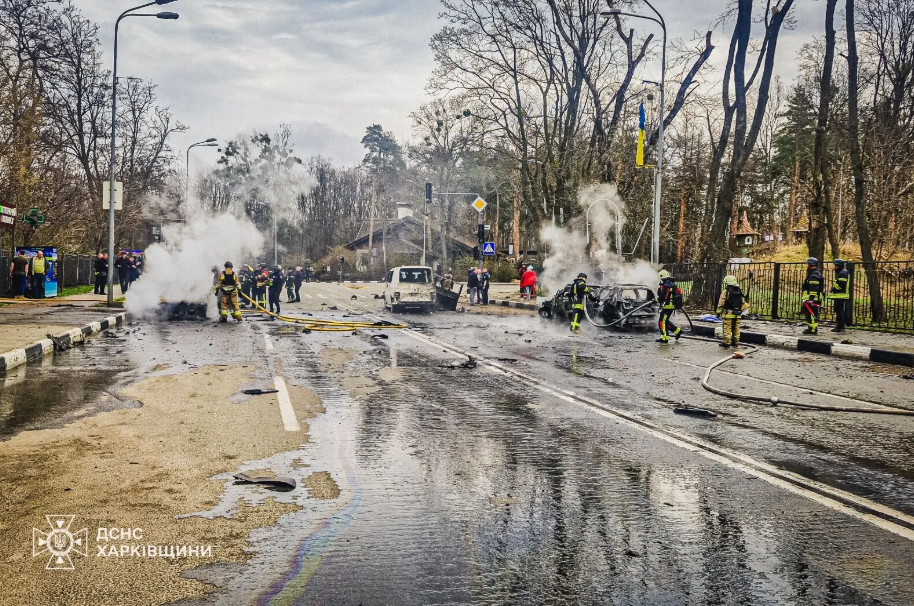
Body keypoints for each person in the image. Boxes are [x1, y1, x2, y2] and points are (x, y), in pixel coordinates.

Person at [716, 275, 749, 348]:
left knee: (727, 328)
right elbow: (743, 302)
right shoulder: (739, 290)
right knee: (736, 328)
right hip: (738, 314)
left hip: (728, 314)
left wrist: (718, 313)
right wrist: (743, 311)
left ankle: (727, 343)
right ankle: (735, 342)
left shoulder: (726, 291)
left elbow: (721, 303)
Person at [656, 269, 683, 343]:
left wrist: (657, 300)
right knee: (665, 321)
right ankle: (677, 331)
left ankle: (664, 337)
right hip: (670, 306)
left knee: (662, 321)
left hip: (667, 306)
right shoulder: (672, 284)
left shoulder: (666, 285)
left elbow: (664, 296)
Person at [802, 257, 823, 335]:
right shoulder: (814, 273)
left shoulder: (813, 275)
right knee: (810, 314)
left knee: (812, 314)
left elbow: (814, 288)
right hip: (812, 298)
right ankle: (811, 328)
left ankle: (813, 329)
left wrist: (811, 299)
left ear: (810, 264)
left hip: (812, 298)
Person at [829, 258, 850, 332]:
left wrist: (834, 289)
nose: (835, 267)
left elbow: (841, 285)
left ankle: (841, 326)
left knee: (839, 311)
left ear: (839, 265)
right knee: (838, 310)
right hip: (840, 295)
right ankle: (839, 326)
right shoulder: (842, 272)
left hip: (841, 295)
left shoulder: (843, 273)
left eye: (836, 265)